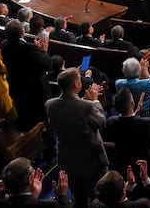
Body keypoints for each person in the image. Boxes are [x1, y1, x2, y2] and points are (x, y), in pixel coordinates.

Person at [45, 67, 108, 208]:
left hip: (68, 161)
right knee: (97, 197)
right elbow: (101, 122)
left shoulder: (50, 104)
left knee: (78, 197)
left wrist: (85, 100)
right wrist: (94, 101)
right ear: (76, 85)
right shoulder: (88, 107)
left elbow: (71, 110)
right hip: (91, 161)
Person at [0, 157, 71, 208]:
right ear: (30, 180)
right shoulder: (50, 206)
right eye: (32, 170)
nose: (34, 172)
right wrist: (62, 195)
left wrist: (34, 196)